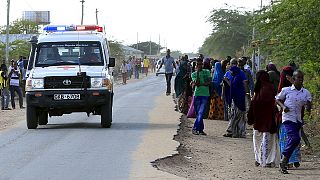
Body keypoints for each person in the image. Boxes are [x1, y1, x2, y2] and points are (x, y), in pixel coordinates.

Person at [276, 70, 312, 174]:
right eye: (298, 78)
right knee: (295, 138)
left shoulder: (306, 92)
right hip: (288, 118)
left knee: (294, 140)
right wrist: (283, 107)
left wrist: (308, 106)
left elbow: (308, 107)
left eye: (302, 78)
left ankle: (284, 160)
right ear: (293, 79)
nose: (300, 80)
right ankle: (284, 161)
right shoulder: (286, 90)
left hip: (298, 119)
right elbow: (277, 99)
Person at [248, 70, 278, 167]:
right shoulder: (271, 89)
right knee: (270, 141)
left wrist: (250, 120)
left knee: (257, 140)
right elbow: (275, 105)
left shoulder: (257, 91)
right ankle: (269, 161)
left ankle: (258, 159)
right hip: (270, 122)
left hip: (258, 123)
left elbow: (252, 107)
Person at [223, 62, 247, 138]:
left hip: (238, 100)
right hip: (237, 99)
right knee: (236, 116)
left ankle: (234, 132)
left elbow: (234, 88)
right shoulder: (236, 77)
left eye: (231, 71)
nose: (231, 73)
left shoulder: (237, 78)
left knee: (236, 116)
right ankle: (235, 132)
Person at [191, 58, 211, 135]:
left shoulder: (207, 71)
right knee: (198, 113)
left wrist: (202, 83)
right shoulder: (193, 74)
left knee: (201, 112)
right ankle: (200, 129)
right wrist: (198, 73)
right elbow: (197, 84)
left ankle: (195, 128)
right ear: (196, 66)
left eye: (201, 64)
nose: (199, 66)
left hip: (205, 94)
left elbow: (209, 82)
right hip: (197, 94)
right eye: (198, 64)